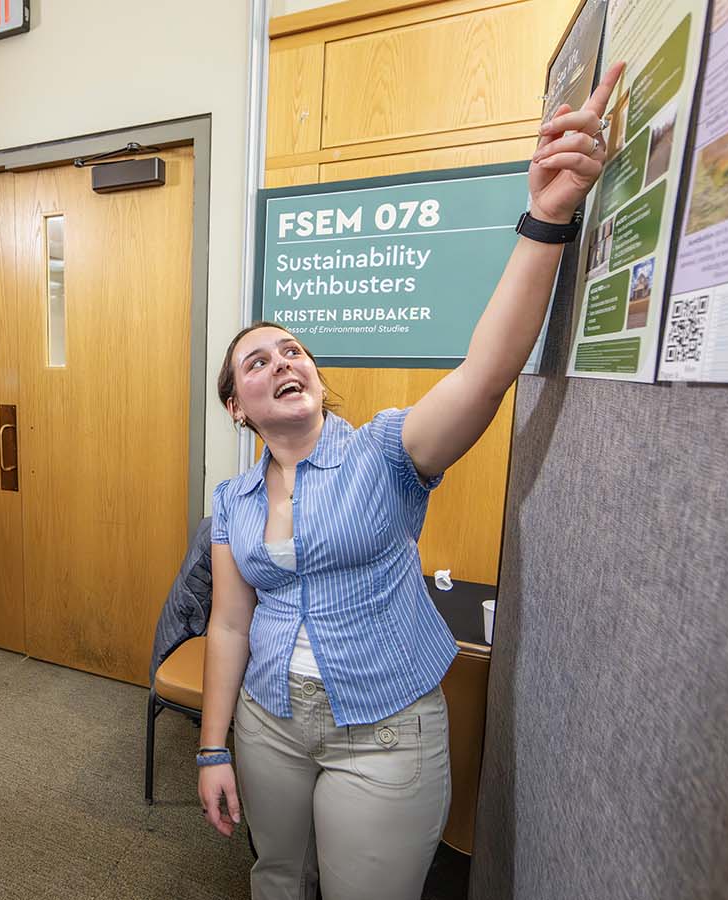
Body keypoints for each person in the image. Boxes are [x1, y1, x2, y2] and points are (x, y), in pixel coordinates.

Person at [197, 64, 627, 900]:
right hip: (268, 722)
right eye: (258, 361)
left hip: (384, 732)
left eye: (293, 350)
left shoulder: (387, 451)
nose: (284, 360)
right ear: (238, 408)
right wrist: (214, 745)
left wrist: (547, 216)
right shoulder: (232, 500)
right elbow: (225, 625)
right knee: (276, 876)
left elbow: (487, 371)